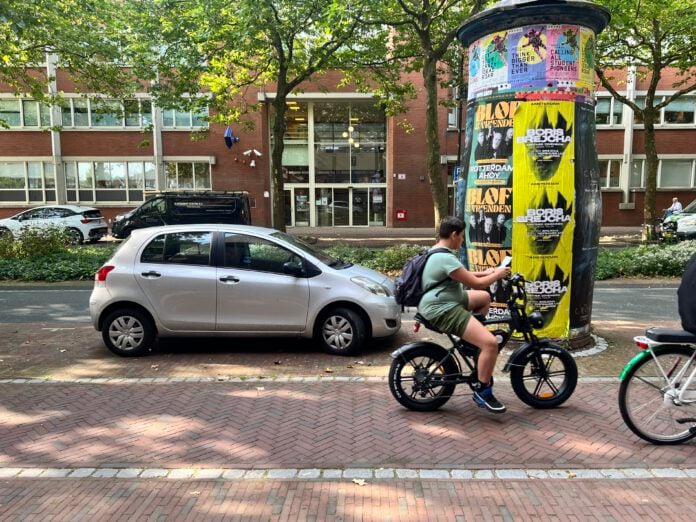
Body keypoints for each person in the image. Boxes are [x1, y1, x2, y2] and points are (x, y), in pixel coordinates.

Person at [418, 216, 511, 413]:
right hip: (443, 308)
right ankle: (482, 391)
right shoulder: (445, 257)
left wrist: (490, 271)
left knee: (484, 297)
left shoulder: (437, 251)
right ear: (453, 235)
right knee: (490, 343)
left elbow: (465, 275)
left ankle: (470, 345)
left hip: (448, 299)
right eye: (461, 236)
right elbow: (476, 283)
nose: (462, 240)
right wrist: (498, 275)